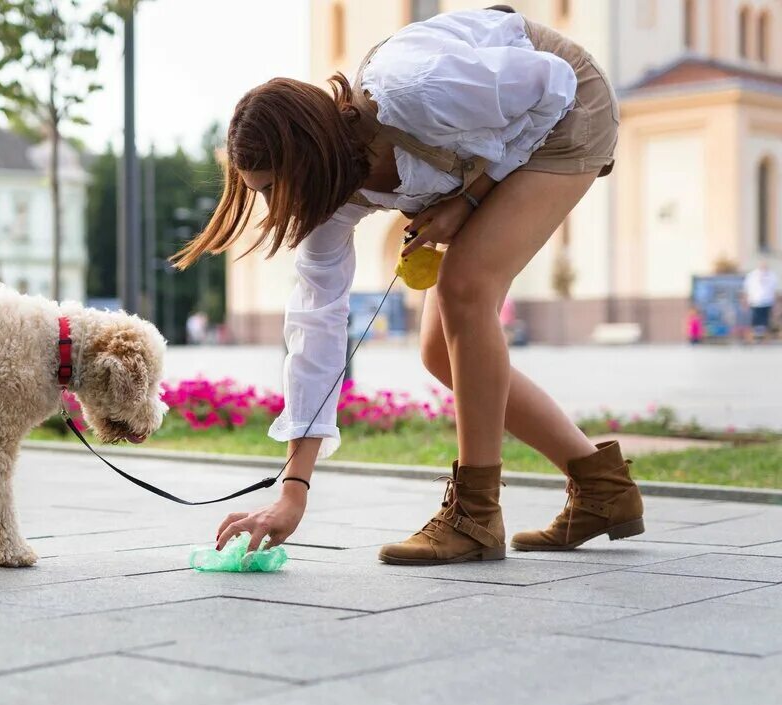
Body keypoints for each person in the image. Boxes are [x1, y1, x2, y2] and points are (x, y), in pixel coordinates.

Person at [174, 6, 644, 565]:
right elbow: (316, 330)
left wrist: (469, 198)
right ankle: (601, 488)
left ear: (309, 156)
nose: (277, 206)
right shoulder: (328, 198)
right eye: (262, 192)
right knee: (438, 352)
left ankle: (475, 515)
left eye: (275, 187)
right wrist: (292, 493)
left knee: (464, 287)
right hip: (498, 137)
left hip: (566, 107)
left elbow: (553, 85)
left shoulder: (417, 89)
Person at [744, 262, 778, 342]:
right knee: (753, 322)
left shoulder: (772, 276)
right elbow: (747, 290)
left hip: (767, 301)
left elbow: (775, 291)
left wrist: (776, 304)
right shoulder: (752, 275)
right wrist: (746, 302)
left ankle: (766, 340)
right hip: (755, 302)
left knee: (767, 322)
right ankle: (750, 339)